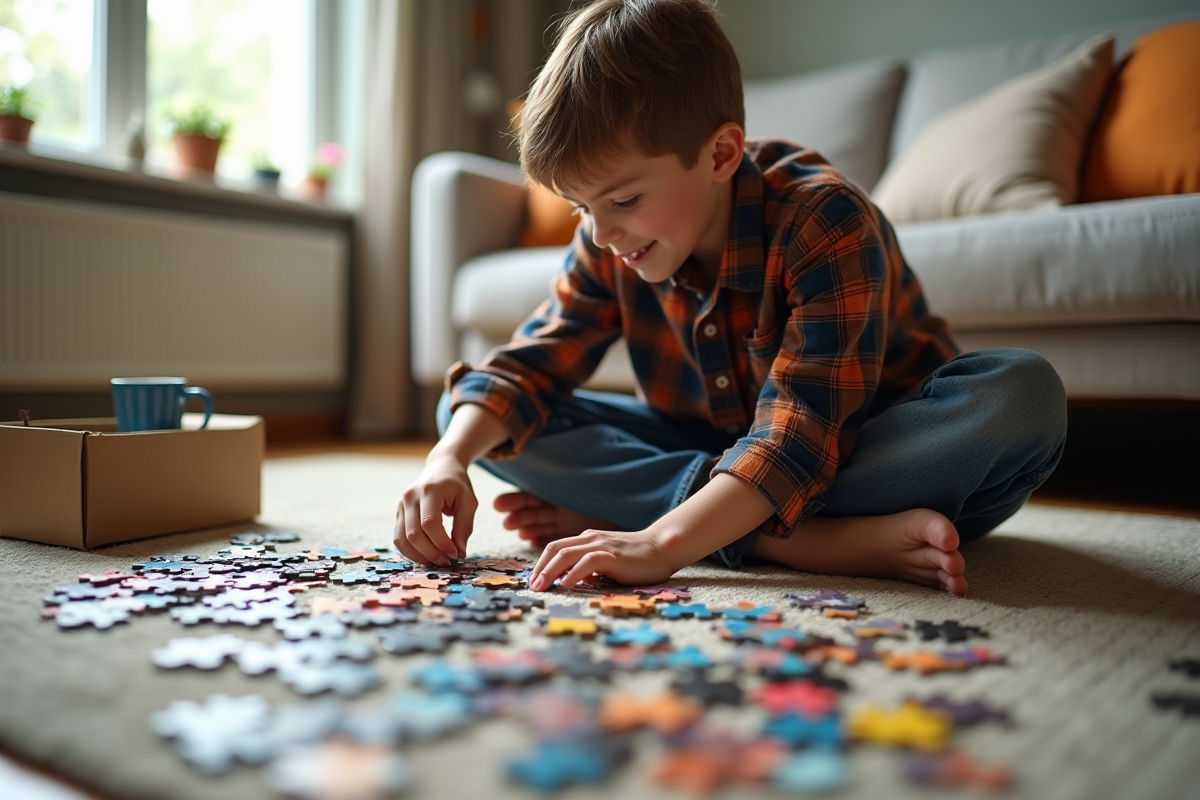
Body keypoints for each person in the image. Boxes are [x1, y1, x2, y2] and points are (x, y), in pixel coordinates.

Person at [394, 0, 1067, 598]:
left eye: (624, 199)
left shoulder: (821, 219)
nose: (601, 233)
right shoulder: (609, 239)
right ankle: (799, 541)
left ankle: (675, 519)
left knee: (1022, 395)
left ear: (720, 155)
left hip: (862, 446)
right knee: (471, 407)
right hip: (720, 448)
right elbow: (526, 369)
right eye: (580, 209)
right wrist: (445, 460)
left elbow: (800, 431)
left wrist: (658, 545)